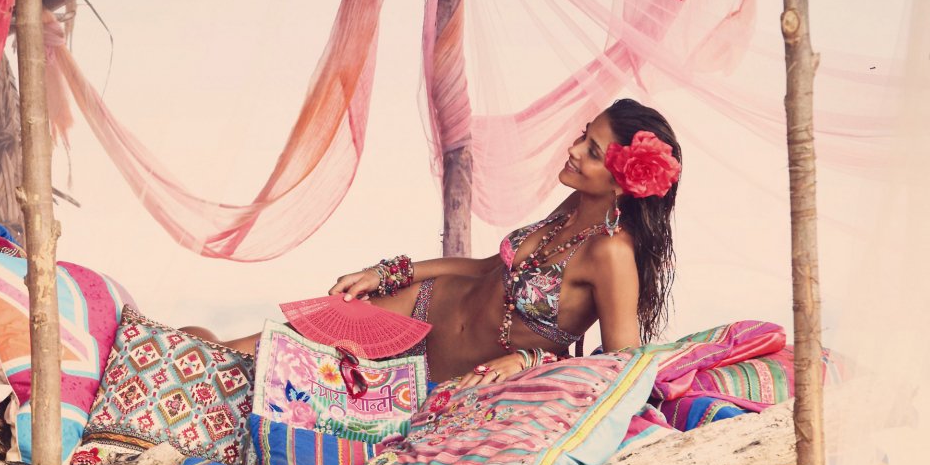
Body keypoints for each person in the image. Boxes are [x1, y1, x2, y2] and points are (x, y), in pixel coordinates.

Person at [209, 98, 682, 387]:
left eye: (593, 151)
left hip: (439, 376)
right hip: (414, 309)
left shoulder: (612, 254)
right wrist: (392, 272)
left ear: (624, 182)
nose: (574, 149)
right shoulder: (572, 209)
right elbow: (484, 269)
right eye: (584, 135)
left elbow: (620, 365)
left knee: (274, 378)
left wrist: (531, 358)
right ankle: (160, 353)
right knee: (250, 354)